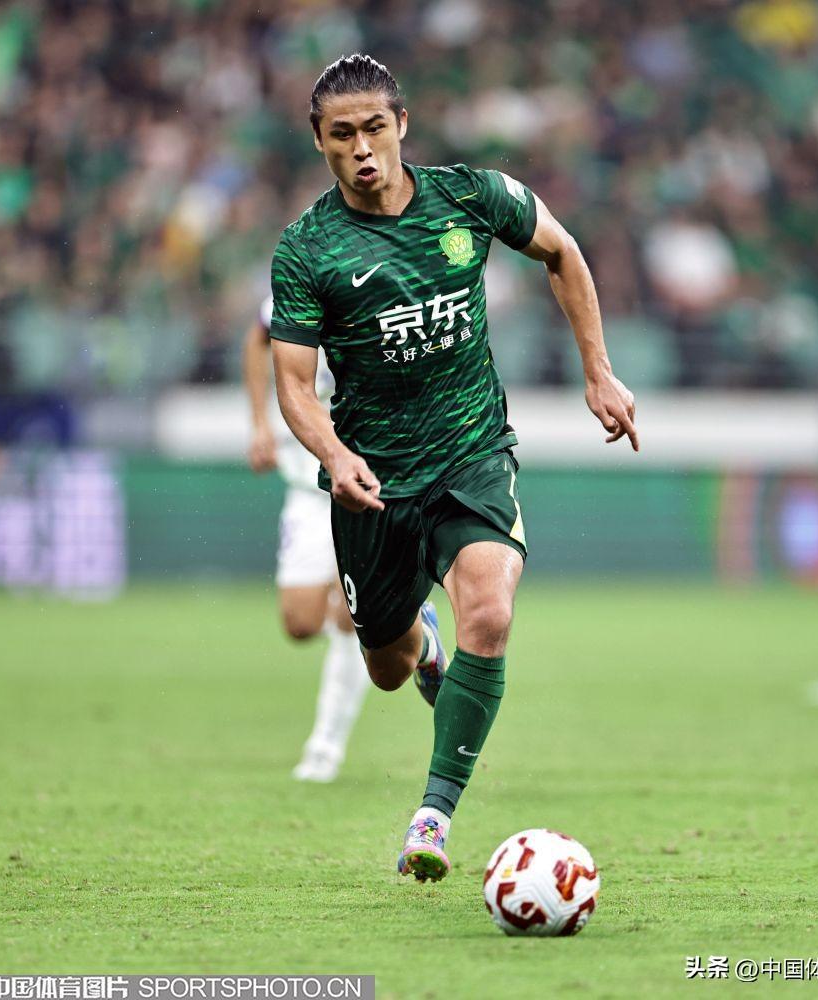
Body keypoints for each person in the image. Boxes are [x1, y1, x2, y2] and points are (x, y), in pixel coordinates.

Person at [269, 54, 638, 882]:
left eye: (375, 127)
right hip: (374, 483)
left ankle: (432, 816)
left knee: (491, 614)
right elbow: (293, 385)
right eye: (342, 134)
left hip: (472, 452)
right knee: (387, 666)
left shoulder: (472, 197)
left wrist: (599, 370)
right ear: (319, 142)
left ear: (402, 124)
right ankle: (421, 642)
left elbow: (562, 251)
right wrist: (336, 455)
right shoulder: (307, 250)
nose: (362, 147)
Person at [243, 295, 369, 783]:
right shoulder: (298, 285)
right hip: (307, 486)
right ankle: (397, 621)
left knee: (353, 620)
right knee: (299, 622)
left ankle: (325, 747)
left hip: (369, 482)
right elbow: (257, 337)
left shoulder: (387, 284)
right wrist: (260, 423)